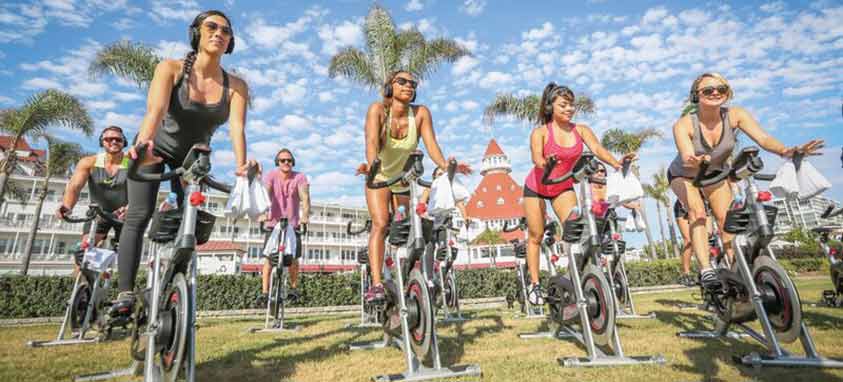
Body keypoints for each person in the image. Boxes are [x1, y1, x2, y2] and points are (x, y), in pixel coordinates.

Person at [110, 10, 254, 318]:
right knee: (139, 214)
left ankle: (172, 289)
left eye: (226, 31)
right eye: (211, 27)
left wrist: (242, 166)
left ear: (230, 42)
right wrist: (144, 143)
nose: (219, 33)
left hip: (193, 158)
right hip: (155, 149)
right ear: (197, 33)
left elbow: (237, 129)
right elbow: (156, 110)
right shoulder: (171, 68)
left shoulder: (237, 86)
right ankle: (125, 293)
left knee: (192, 221)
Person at [667, 72, 823, 292]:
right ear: (696, 96)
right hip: (686, 174)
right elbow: (686, 157)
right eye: (708, 90)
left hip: (715, 174)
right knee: (698, 212)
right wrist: (695, 159)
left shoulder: (735, 115)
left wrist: (786, 151)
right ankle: (706, 270)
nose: (715, 93)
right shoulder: (684, 124)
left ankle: (736, 270)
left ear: (727, 93)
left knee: (726, 221)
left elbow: (764, 139)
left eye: (720, 89)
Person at [356, 70, 471, 303]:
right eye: (402, 82)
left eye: (412, 83)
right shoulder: (378, 110)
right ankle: (377, 284)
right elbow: (370, 141)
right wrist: (371, 165)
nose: (409, 86)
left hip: (402, 179)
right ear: (390, 86)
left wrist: (447, 166)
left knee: (404, 230)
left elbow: (432, 145)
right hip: (379, 177)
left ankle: (405, 277)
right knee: (381, 223)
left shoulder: (420, 113)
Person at [522, 83, 634, 305]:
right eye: (563, 105)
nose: (569, 109)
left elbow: (598, 149)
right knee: (535, 235)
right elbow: (536, 158)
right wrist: (547, 162)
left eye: (571, 105)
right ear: (550, 106)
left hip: (562, 186)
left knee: (577, 230)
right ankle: (534, 285)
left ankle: (574, 277)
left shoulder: (580, 130)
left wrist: (616, 163)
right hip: (537, 185)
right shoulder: (541, 132)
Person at [56, 126, 129, 272]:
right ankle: (80, 290)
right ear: (102, 142)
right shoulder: (89, 162)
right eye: (109, 139)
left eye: (118, 139)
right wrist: (67, 206)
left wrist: (131, 206)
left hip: (124, 215)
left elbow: (141, 189)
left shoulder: (130, 163)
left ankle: (123, 291)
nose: (113, 141)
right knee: (84, 252)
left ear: (124, 142)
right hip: (99, 214)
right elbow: (75, 187)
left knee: (127, 255)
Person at [257, 148, 309, 304]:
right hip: (273, 222)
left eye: (289, 160)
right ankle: (265, 293)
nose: (286, 163)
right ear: (277, 163)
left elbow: (305, 198)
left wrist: (305, 216)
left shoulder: (299, 177)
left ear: (292, 162)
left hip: (293, 224)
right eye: (282, 160)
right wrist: (263, 213)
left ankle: (293, 289)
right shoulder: (271, 176)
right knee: (268, 259)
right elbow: (265, 194)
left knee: (293, 258)